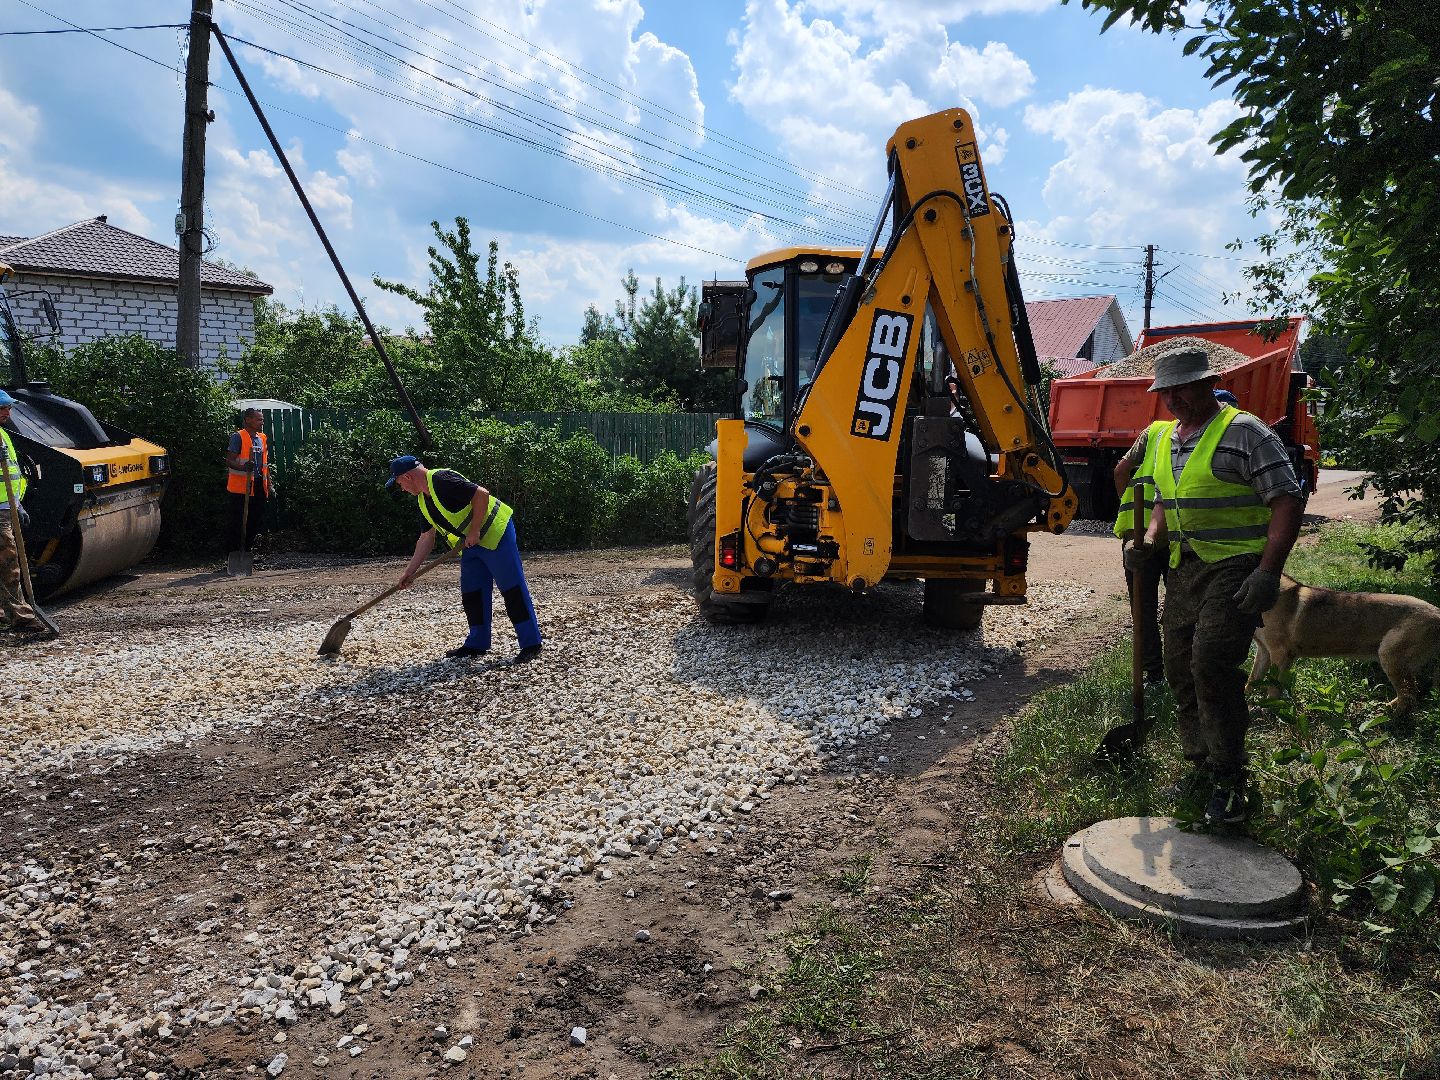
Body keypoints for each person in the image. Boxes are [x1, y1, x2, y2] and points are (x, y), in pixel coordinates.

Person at [1126, 350, 1303, 825]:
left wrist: (1268, 572)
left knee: (1211, 660)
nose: (1174, 398)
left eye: (1184, 387)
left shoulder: (1246, 432)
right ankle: (1200, 764)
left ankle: (1230, 779)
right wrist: (1146, 540)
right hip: (1188, 566)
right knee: (1180, 664)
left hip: (1238, 566)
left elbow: (1287, 500)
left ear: (1210, 384)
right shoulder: (1166, 439)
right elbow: (1164, 501)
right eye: (1166, 390)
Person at [1114, 385, 1242, 685]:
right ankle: (1180, 672)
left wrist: (1131, 513)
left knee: (1147, 607)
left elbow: (1121, 471)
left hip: (1144, 532)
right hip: (1172, 536)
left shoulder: (1157, 432)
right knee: (1182, 607)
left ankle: (1157, 674)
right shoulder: (1173, 436)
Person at [387, 455, 542, 662]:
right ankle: (477, 643)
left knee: (512, 589)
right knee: (472, 593)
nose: (402, 489)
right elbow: (426, 537)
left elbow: (481, 494)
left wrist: (475, 531)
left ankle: (531, 643)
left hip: (496, 534)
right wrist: (410, 571)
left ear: (406, 477)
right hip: (470, 545)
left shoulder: (441, 479)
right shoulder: (423, 500)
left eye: (399, 484)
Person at [0, 389, 49, 637]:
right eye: (3, 408)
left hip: (7, 507)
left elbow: (11, 473)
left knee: (8, 561)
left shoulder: (2, 435)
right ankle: (20, 617)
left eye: (8, 408)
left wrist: (17, 504)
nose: (8, 412)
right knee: (9, 563)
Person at [225, 408, 270, 555]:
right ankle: (234, 554)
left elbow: (265, 464)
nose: (261, 422)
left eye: (262, 419)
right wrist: (243, 467)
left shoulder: (262, 438)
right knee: (238, 522)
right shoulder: (238, 437)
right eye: (258, 419)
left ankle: (247, 552)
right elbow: (230, 460)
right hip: (241, 488)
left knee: (255, 520)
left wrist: (269, 483)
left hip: (258, 486)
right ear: (248, 420)